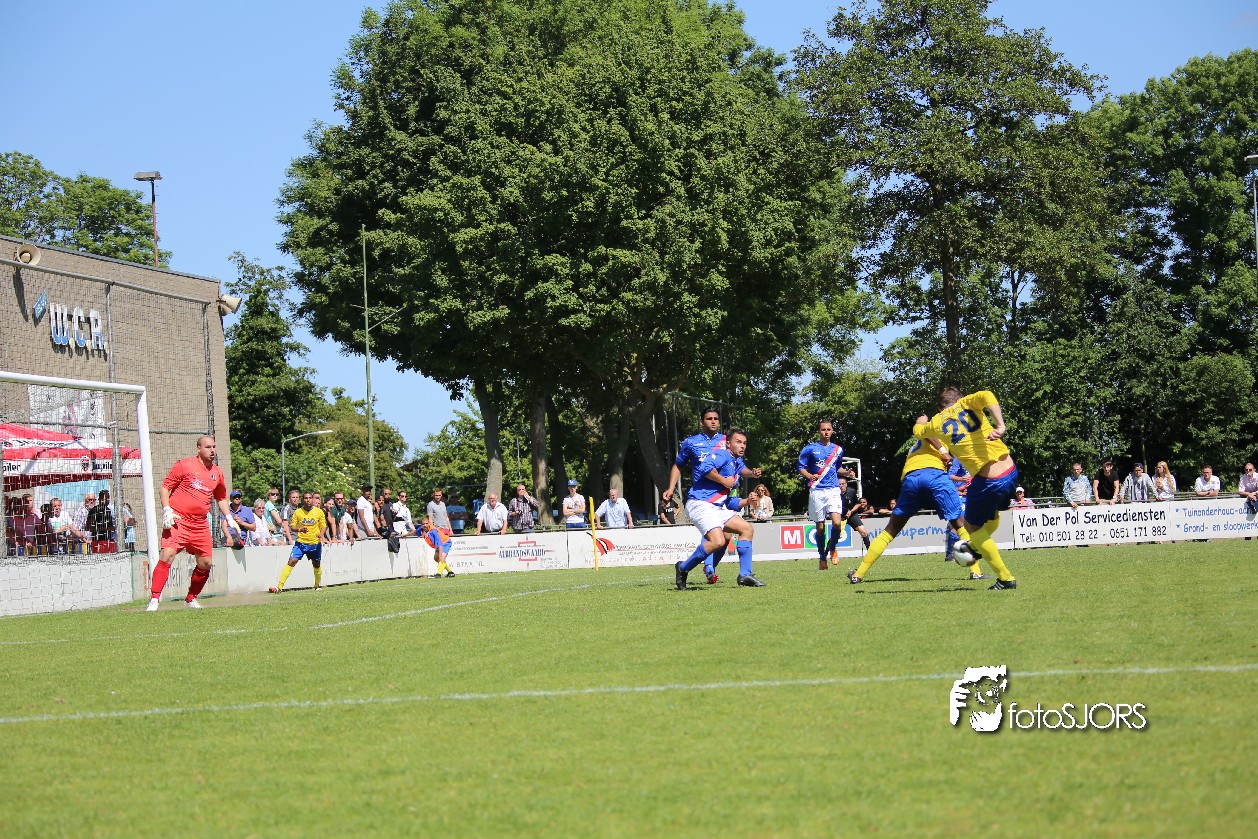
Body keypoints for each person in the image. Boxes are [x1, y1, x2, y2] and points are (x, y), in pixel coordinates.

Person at [849, 419, 971, 584]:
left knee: (890, 530)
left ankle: (859, 574)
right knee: (960, 524)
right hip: (934, 476)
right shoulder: (936, 431)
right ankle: (976, 571)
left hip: (911, 479)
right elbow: (924, 426)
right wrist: (945, 453)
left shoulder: (919, 445)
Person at [147, 435, 238, 610]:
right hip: (179, 520)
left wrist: (229, 518)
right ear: (199, 448)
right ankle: (155, 598)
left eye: (214, 447)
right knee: (167, 555)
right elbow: (165, 487)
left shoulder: (217, 472)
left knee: (206, 563)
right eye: (208, 447)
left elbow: (220, 498)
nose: (212, 450)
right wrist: (167, 510)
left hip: (200, 524)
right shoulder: (185, 465)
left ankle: (190, 598)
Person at [674, 429, 764, 589]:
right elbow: (704, 467)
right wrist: (723, 480)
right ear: (728, 444)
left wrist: (747, 499)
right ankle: (683, 567)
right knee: (718, 541)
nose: (742, 446)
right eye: (738, 442)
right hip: (700, 503)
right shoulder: (722, 455)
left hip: (717, 507)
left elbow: (729, 501)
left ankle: (745, 575)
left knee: (747, 529)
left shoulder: (735, 462)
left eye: (744, 443)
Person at [797, 419, 855, 570]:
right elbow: (801, 467)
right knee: (820, 528)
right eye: (823, 429)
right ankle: (822, 557)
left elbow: (837, 468)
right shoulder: (810, 449)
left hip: (833, 489)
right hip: (817, 490)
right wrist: (809, 476)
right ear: (819, 431)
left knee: (837, 523)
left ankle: (833, 547)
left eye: (829, 429)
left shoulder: (838, 449)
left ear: (832, 431)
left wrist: (847, 473)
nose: (826, 432)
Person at [270, 490, 329, 593]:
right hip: (301, 543)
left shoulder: (319, 512)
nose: (308, 500)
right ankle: (279, 586)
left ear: (312, 499)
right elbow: (292, 527)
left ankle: (317, 585)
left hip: (314, 543)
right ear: (303, 500)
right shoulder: (298, 512)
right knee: (291, 561)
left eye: (310, 498)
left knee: (316, 564)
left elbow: (323, 525)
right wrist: (300, 529)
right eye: (306, 498)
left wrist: (321, 533)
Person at [838, 476, 872, 551]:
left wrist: (851, 511)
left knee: (863, 531)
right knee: (836, 535)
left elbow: (858, 503)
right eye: (839, 484)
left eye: (843, 484)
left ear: (846, 484)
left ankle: (870, 551)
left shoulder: (852, 491)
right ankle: (825, 553)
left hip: (852, 514)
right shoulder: (834, 494)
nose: (841, 486)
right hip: (840, 516)